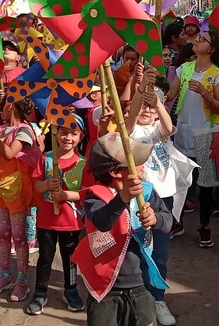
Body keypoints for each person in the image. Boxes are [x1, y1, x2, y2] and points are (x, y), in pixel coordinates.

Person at [71, 132, 172, 326]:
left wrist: (155, 219)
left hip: (142, 284)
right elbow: (102, 221)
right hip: (106, 290)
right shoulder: (95, 195)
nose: (142, 163)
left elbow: (167, 222)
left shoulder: (147, 191)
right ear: (116, 172)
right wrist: (123, 198)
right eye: (136, 160)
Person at [126, 65, 182, 326]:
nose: (147, 111)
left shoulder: (159, 131)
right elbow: (132, 116)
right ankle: (139, 299)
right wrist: (140, 90)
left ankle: (158, 298)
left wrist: (158, 103)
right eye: (143, 108)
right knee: (136, 251)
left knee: (160, 253)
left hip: (163, 199)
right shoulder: (132, 132)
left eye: (152, 109)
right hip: (138, 199)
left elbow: (169, 127)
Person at [166, 30, 219, 249]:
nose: (198, 40)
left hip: (207, 134)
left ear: (211, 49)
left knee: (206, 185)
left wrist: (205, 93)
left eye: (203, 39)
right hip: (183, 131)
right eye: (198, 38)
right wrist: (156, 81)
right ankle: (178, 222)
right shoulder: (184, 69)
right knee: (180, 182)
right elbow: (171, 94)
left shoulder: (218, 75)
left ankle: (204, 226)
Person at [0, 96, 39, 303]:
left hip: (17, 190)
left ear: (10, 106)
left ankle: (22, 279)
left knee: (19, 237)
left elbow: (8, 153)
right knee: (3, 235)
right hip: (0, 188)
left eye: (2, 107)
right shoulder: (1, 130)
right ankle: (4, 274)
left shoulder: (24, 131)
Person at [26, 121, 86, 316]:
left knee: (70, 258)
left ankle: (70, 290)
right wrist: (46, 184)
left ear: (80, 137)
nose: (68, 137)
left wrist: (66, 196)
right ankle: (40, 291)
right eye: (63, 132)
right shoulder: (46, 159)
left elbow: (86, 193)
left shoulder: (83, 164)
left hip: (71, 221)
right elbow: (36, 186)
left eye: (73, 133)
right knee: (45, 257)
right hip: (46, 220)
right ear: (56, 133)